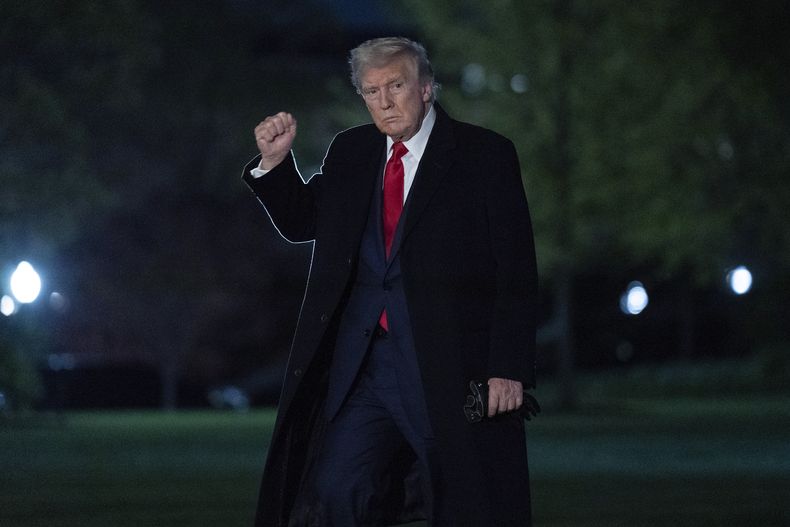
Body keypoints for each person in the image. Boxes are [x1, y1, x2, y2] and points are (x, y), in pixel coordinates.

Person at [243, 36, 537, 527]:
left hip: (446, 365)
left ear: (426, 88)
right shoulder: (352, 151)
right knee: (337, 488)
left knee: (462, 500)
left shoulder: (484, 155)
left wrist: (507, 367)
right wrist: (275, 164)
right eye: (371, 91)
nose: (384, 101)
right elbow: (305, 221)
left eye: (396, 86)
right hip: (365, 367)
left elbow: (515, 269)